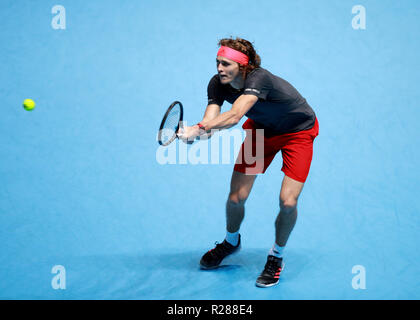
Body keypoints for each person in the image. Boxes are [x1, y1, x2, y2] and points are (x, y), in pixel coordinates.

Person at [177, 37, 319, 288]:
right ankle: (231, 242)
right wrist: (197, 134)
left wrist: (198, 128)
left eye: (226, 64)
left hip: (298, 133)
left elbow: (233, 116)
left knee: (288, 201)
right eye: (218, 62)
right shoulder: (217, 83)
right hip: (262, 132)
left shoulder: (259, 78)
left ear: (244, 67)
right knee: (235, 198)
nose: (219, 68)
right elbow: (210, 123)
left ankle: (276, 257)